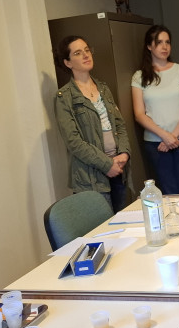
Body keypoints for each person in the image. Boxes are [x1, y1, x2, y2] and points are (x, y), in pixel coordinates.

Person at [54, 35, 131, 212]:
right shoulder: (64, 97)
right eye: (78, 53)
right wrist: (106, 164)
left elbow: (119, 125)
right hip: (91, 177)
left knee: (123, 226)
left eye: (87, 50)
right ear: (67, 62)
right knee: (102, 231)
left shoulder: (103, 88)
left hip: (119, 169)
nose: (86, 55)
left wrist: (124, 153)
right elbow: (74, 142)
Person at [131, 25, 179, 195]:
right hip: (156, 143)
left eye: (167, 42)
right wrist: (165, 136)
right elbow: (139, 114)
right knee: (167, 191)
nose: (164, 46)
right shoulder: (139, 76)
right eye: (159, 42)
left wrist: (172, 136)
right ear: (149, 46)